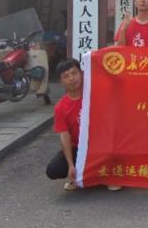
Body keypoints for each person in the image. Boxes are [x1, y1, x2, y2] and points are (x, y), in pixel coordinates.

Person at [46, 58, 120, 191]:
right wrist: (70, 165)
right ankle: (77, 175)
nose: (71, 78)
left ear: (81, 73)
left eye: (74, 73)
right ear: (61, 81)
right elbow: (65, 137)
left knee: (116, 152)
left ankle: (108, 176)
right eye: (66, 76)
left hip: (102, 145)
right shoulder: (60, 108)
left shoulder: (97, 93)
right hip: (79, 149)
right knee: (53, 169)